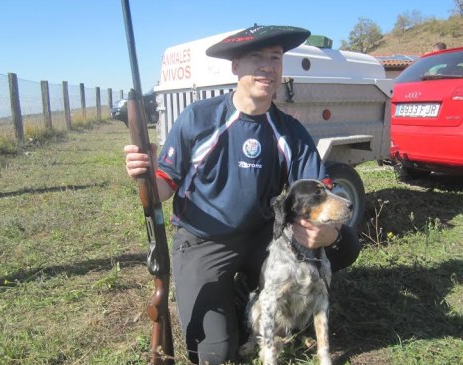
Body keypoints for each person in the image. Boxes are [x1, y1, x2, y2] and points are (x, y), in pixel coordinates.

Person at [124, 24, 361, 364]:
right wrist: (143, 174)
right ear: (235, 66)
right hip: (203, 240)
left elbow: (320, 190)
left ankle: (251, 285)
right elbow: (162, 186)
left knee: (345, 242)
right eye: (256, 57)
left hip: (263, 236)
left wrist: (329, 230)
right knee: (213, 355)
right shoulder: (198, 118)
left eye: (275, 58)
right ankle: (236, 296)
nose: (267, 66)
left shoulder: (289, 130)